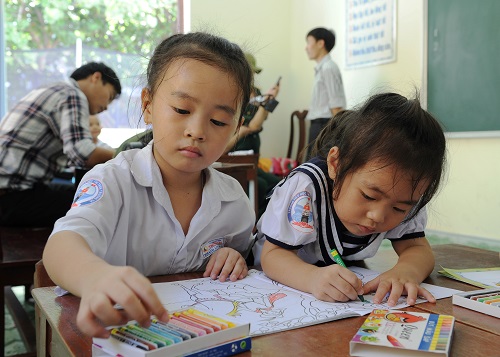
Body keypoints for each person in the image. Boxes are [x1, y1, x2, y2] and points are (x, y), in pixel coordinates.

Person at [42, 32, 255, 338]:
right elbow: (62, 246)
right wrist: (93, 276)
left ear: (236, 126)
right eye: (182, 110)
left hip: (196, 338)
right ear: (149, 105)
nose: (197, 131)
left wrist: (234, 259)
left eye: (219, 121)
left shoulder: (234, 201)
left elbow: (239, 258)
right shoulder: (113, 180)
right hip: (113, 337)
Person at [256, 92, 446, 308]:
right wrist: (311, 278)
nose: (378, 216)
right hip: (266, 283)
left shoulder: (405, 193)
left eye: (399, 208)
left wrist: (405, 272)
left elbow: (418, 248)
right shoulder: (306, 188)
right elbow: (272, 256)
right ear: (336, 164)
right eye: (369, 196)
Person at [0, 62, 121, 227]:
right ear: (96, 78)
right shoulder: (73, 94)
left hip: (11, 189)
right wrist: (123, 154)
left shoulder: (53, 89)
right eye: (110, 96)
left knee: (81, 194)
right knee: (98, 202)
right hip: (12, 196)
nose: (106, 107)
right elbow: (83, 154)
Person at [224, 52, 281, 218]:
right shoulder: (232, 93)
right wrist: (267, 102)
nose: (252, 77)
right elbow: (253, 125)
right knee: (261, 186)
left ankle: (266, 223)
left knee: (278, 185)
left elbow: (259, 121)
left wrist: (268, 100)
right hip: (234, 157)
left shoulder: (257, 92)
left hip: (253, 157)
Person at [304, 27, 346, 154]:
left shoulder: (328, 68)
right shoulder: (322, 68)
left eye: (309, 42)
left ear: (320, 43)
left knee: (317, 168)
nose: (306, 47)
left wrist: (338, 133)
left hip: (324, 126)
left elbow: (336, 105)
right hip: (319, 126)